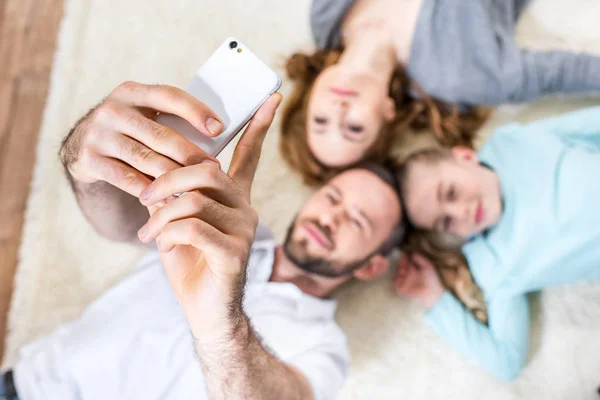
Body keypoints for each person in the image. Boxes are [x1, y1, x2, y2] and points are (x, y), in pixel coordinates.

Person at [0, 81, 406, 400]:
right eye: (333, 198)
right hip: (26, 385)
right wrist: (87, 165)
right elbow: (122, 226)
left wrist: (221, 328)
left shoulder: (324, 347)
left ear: (371, 265)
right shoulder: (223, 225)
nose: (333, 216)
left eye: (358, 221)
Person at [280, 0, 600, 185]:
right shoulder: (461, 78)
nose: (338, 109)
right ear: (387, 115)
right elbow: (568, 72)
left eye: (320, 120)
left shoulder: (324, 18)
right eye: (354, 128)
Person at [393, 106, 600, 381]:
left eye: (451, 193)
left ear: (465, 156)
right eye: (446, 223)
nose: (461, 213)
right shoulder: (493, 263)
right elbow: (506, 361)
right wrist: (434, 297)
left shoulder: (511, 143)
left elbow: (589, 124)